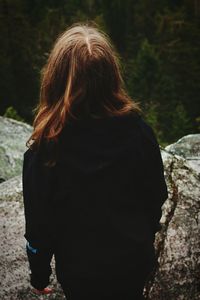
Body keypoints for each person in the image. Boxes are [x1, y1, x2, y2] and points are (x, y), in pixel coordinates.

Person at [22, 22, 168, 300]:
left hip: (81, 272)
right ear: (112, 76)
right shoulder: (139, 132)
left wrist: (39, 274)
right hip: (133, 261)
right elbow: (156, 195)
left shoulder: (45, 151)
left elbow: (39, 226)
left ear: (54, 79)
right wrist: (143, 237)